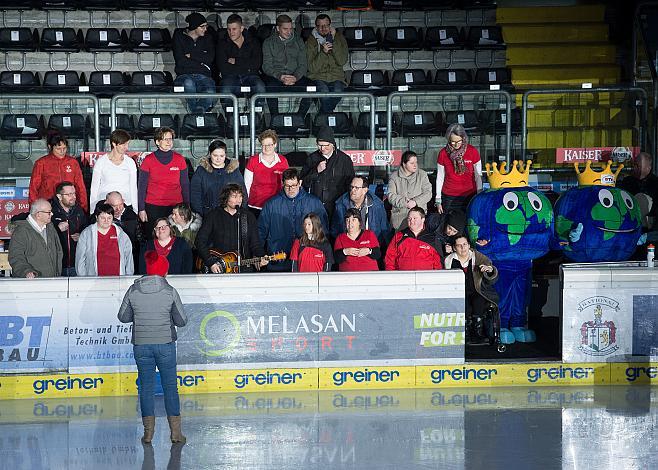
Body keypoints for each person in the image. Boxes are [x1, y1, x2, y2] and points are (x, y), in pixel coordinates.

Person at [117, 250, 188, 445]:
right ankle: (175, 433)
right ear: (163, 271)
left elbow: (122, 317)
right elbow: (181, 320)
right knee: (170, 388)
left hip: (141, 345)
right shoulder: (170, 290)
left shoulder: (133, 290)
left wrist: (139, 315)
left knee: (146, 388)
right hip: (165, 344)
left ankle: (148, 434)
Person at [258, 168, 328, 271]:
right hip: (278, 262)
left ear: (300, 183)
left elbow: (324, 231)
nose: (291, 189)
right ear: (282, 184)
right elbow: (260, 231)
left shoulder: (314, 203)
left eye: (294, 185)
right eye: (287, 186)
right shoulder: (271, 204)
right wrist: (260, 254)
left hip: (307, 263)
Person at [196, 183, 268, 273]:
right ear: (226, 198)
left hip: (243, 267)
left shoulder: (248, 216)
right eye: (234, 196)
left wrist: (261, 256)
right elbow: (200, 240)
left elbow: (255, 244)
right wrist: (210, 262)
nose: (238, 200)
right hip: (219, 266)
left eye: (240, 196)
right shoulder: (214, 215)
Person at [444, 234, 499, 345]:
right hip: (458, 293)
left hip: (477, 291)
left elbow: (493, 276)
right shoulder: (448, 261)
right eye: (459, 245)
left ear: (469, 245)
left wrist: (489, 270)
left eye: (465, 244)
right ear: (454, 248)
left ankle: (478, 332)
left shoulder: (478, 257)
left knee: (478, 301)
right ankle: (465, 332)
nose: (463, 248)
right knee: (463, 305)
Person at [138, 127, 190, 238]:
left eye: (170, 139)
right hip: (153, 207)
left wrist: (187, 207)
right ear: (157, 142)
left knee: (175, 239)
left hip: (175, 207)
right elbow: (141, 187)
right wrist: (141, 209)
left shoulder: (180, 159)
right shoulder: (148, 160)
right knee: (154, 239)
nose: (168, 142)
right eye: (165, 139)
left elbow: (185, 185)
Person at [300, 126, 355, 223]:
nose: (322, 148)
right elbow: (303, 182)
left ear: (333, 144)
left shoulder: (344, 159)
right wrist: (316, 171)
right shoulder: (312, 158)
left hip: (338, 206)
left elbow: (351, 184)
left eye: (326, 145)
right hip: (317, 206)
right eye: (319, 145)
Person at [262, 14, 312, 115]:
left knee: (312, 88)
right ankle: (274, 119)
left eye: (290, 28)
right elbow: (266, 66)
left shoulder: (298, 41)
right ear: (277, 28)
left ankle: (300, 118)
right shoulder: (268, 42)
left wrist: (295, 77)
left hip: (294, 75)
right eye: (285, 29)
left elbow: (303, 64)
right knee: (270, 88)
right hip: (276, 76)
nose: (289, 32)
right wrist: (280, 76)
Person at [29, 132, 88, 213]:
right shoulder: (41, 163)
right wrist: (34, 209)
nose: (62, 151)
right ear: (50, 147)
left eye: (64, 148)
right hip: (48, 205)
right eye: (58, 149)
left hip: (69, 205)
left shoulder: (72, 162)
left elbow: (80, 186)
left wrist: (83, 207)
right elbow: (34, 188)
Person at [216, 14, 266, 110]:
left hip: (251, 76)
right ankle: (230, 120)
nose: (231, 32)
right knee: (225, 89)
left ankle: (257, 118)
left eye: (234, 29)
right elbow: (223, 67)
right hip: (230, 77)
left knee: (260, 87)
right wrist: (246, 64)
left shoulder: (253, 42)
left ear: (241, 28)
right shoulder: (222, 44)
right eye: (229, 29)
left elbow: (257, 64)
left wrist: (236, 61)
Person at [172, 12, 216, 113]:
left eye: (206, 26)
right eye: (202, 26)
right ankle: (198, 113)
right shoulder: (179, 36)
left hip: (203, 75)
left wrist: (192, 55)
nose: (205, 29)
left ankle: (195, 113)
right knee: (188, 83)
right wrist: (200, 61)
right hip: (184, 75)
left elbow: (209, 58)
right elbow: (180, 61)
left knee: (210, 90)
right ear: (194, 27)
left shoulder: (208, 38)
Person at [190, 139, 246, 217]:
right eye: (215, 155)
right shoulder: (201, 171)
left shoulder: (234, 171)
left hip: (230, 215)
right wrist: (200, 214)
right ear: (210, 154)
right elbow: (195, 195)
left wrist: (240, 212)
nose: (218, 159)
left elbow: (242, 192)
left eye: (221, 156)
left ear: (226, 155)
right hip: (208, 215)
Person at [8, 198, 62, 278]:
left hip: (52, 281)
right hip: (31, 283)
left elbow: (58, 251)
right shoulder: (21, 232)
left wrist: (57, 274)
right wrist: (26, 271)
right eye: (49, 212)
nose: (52, 214)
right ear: (38, 215)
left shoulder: (51, 228)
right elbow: (15, 256)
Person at [75, 203, 134, 276]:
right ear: (96, 217)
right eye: (103, 218)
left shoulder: (121, 234)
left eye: (109, 218)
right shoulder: (86, 234)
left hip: (118, 280)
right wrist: (83, 279)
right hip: (94, 281)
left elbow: (128, 258)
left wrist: (128, 277)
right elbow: (80, 259)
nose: (106, 221)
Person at [435, 123, 482, 214]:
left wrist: (479, 194)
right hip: (449, 196)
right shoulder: (443, 153)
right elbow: (440, 177)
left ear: (463, 138)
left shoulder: (473, 151)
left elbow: (478, 175)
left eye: (459, 141)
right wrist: (438, 199)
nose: (456, 144)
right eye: (453, 142)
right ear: (448, 139)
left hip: (469, 195)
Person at [306, 13, 348, 113]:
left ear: (330, 25)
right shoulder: (310, 41)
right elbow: (312, 68)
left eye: (326, 25)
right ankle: (326, 118)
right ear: (316, 27)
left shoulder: (339, 38)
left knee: (338, 92)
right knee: (324, 93)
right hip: (317, 76)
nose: (323, 28)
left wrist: (333, 41)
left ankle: (323, 116)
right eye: (320, 26)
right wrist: (323, 53)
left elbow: (342, 61)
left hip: (336, 76)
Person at [89, 129, 138, 210]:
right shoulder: (101, 162)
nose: (126, 147)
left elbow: (133, 188)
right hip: (106, 206)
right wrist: (92, 210)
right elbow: (94, 188)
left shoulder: (130, 162)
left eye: (127, 144)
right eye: (123, 144)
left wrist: (136, 210)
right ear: (114, 144)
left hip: (126, 205)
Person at [244, 129, 289, 216]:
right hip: (255, 206)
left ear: (275, 144)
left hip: (277, 205)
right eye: (263, 145)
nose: (266, 148)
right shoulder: (252, 161)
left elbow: (287, 183)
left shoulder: (283, 161)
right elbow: (246, 185)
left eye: (269, 145)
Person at [332, 175, 389, 242]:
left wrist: (375, 248)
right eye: (352, 187)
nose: (353, 190)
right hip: (348, 246)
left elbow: (384, 229)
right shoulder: (340, 205)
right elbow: (335, 230)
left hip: (371, 245)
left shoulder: (377, 205)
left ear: (365, 190)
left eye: (356, 188)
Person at [388, 150, 433, 230]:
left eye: (416, 162)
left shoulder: (422, 175)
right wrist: (404, 202)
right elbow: (391, 195)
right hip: (400, 217)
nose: (415, 165)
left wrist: (416, 202)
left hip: (418, 216)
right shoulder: (394, 177)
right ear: (404, 164)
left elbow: (428, 193)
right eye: (411, 163)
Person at [51, 181, 88, 276]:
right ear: (59, 196)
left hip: (77, 264)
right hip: (57, 265)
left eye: (74, 193)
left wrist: (82, 236)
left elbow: (87, 228)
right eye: (69, 194)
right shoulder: (49, 211)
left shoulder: (79, 210)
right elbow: (41, 233)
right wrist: (57, 229)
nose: (73, 197)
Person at [619, 151, 658, 228]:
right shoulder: (627, 181)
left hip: (649, 225)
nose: (634, 167)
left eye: (638, 165)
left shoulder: (655, 183)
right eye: (634, 164)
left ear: (648, 168)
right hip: (627, 221)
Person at [105, 191, 141, 272]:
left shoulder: (132, 215)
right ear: (106, 204)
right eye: (114, 206)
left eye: (120, 205)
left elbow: (139, 239)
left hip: (130, 258)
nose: (118, 209)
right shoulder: (100, 219)